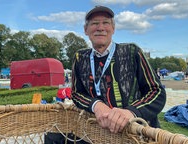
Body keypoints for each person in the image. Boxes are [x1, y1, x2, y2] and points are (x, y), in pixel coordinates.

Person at [71, 5, 166, 134]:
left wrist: (132, 112)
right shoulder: (80, 57)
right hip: (98, 133)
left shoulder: (132, 51)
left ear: (113, 28)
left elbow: (157, 91)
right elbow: (77, 93)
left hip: (138, 133)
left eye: (106, 23)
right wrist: (96, 105)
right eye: (94, 23)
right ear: (86, 30)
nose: (100, 28)